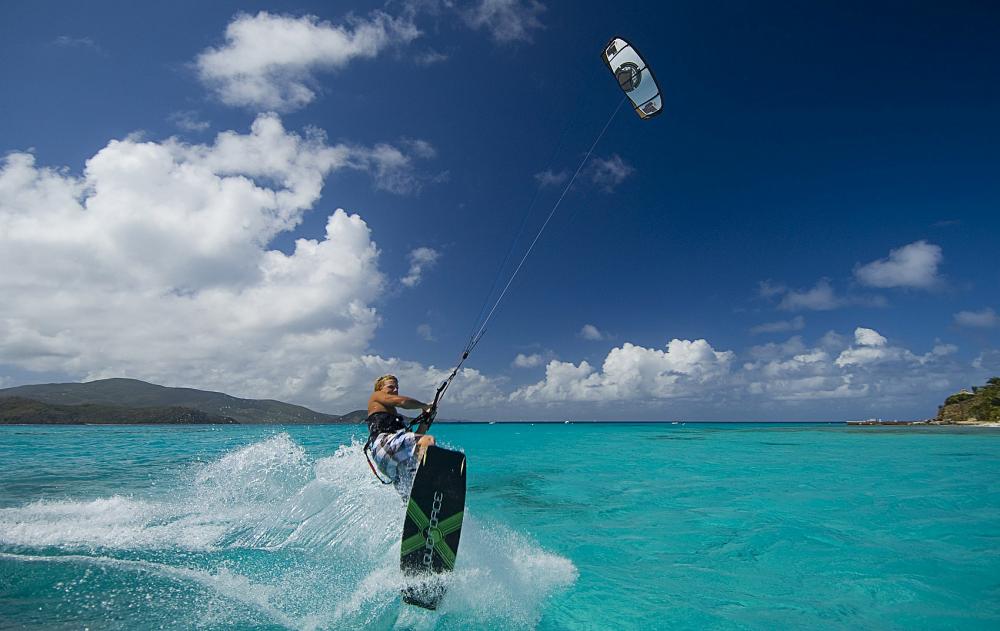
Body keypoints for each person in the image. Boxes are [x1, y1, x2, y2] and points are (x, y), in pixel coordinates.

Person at [365, 374, 436, 491]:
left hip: (387, 461)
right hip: (382, 446)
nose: (395, 390)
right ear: (379, 388)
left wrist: (427, 418)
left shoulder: (395, 417)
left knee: (410, 490)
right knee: (428, 440)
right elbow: (402, 402)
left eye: (397, 388)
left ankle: (422, 495)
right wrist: (425, 405)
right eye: (391, 387)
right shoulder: (376, 395)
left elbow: (418, 436)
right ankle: (430, 483)